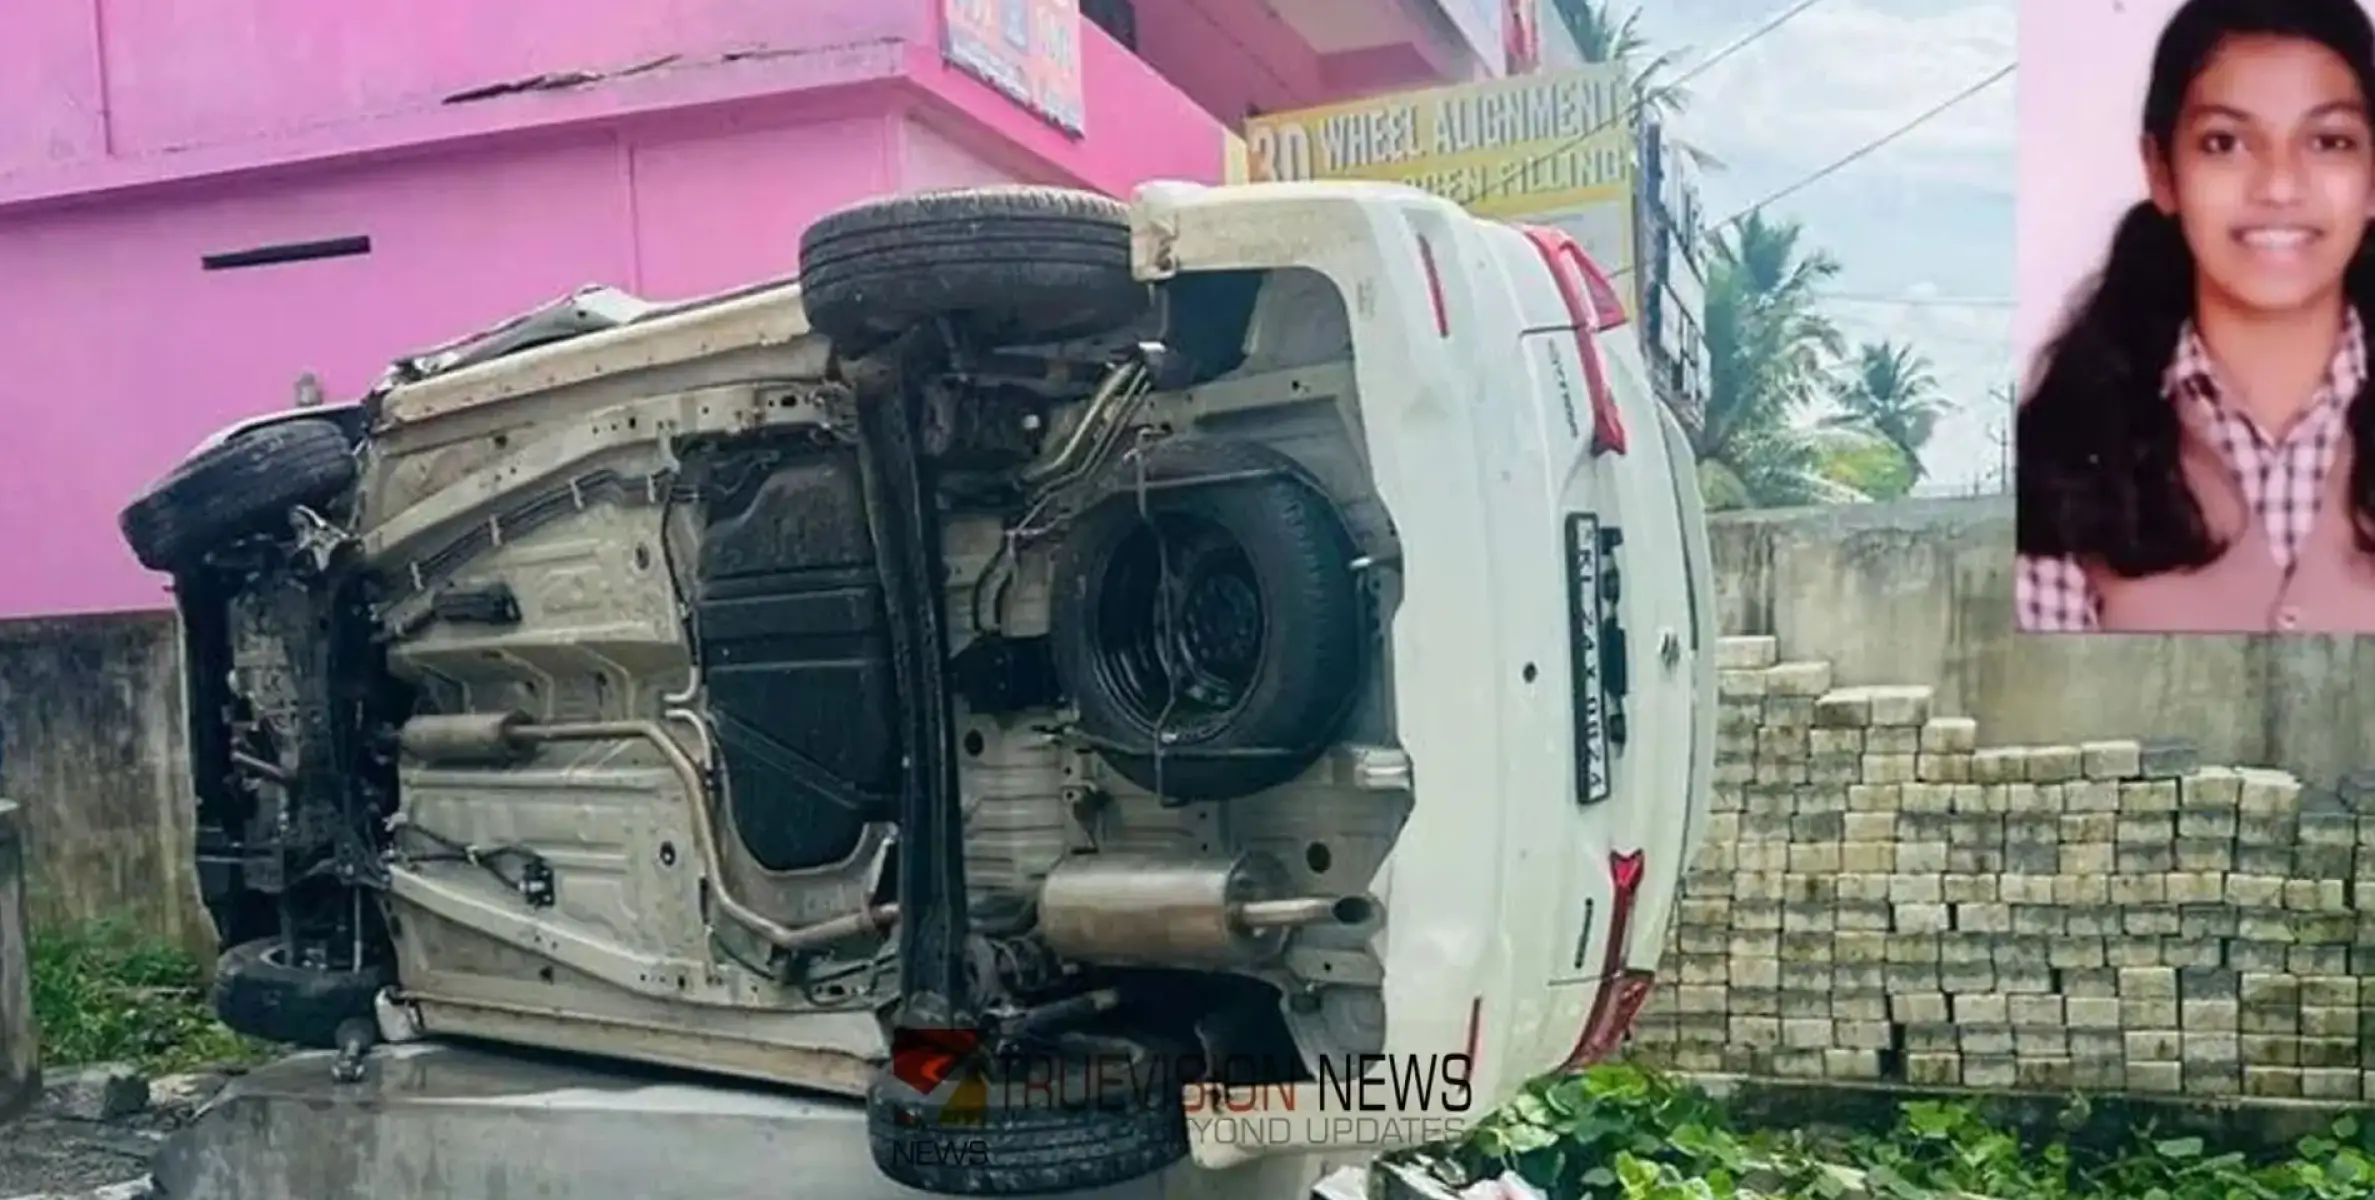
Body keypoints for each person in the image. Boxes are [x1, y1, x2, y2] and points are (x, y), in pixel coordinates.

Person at [2017, 0, 2375, 633]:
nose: (2280, 187)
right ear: (2162, 172)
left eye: (2328, 141)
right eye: (2226, 143)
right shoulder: (2061, 457)